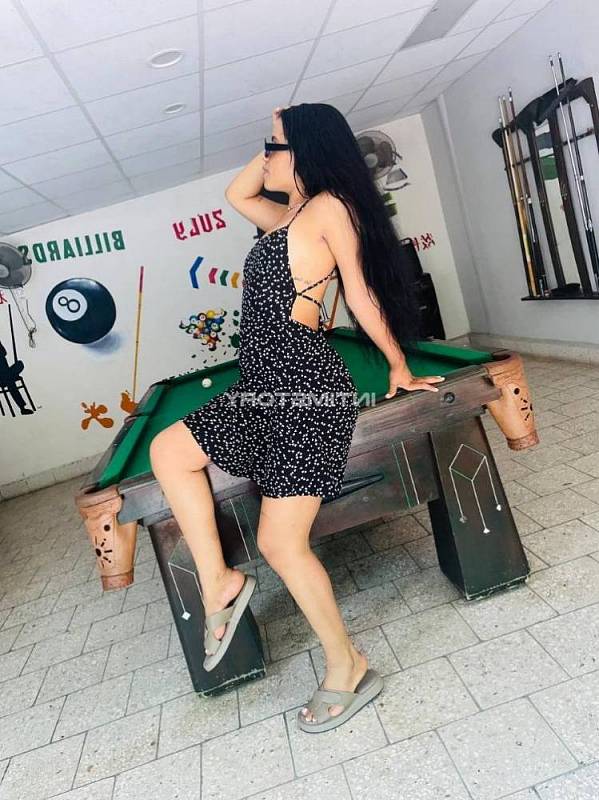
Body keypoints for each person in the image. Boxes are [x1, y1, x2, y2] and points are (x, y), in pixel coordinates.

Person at [149, 103, 445, 733]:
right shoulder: (289, 215)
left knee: (281, 544)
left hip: (302, 381)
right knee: (169, 451)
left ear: (306, 151)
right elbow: (237, 193)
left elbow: (360, 292)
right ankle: (220, 584)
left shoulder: (330, 208)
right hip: (266, 380)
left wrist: (397, 364)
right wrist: (278, 141)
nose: (264, 157)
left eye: (273, 146)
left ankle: (348, 666)